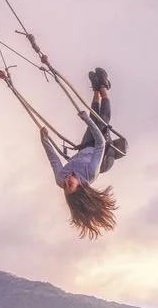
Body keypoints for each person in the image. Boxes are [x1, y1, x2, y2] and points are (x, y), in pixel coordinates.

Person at [41, 67, 125, 238]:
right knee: (103, 120)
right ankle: (104, 88)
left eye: (65, 185)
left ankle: (95, 89)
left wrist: (44, 139)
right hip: (103, 156)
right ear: (80, 185)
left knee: (94, 121)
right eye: (69, 184)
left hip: (86, 150)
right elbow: (101, 144)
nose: (65, 181)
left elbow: (54, 161)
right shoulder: (90, 173)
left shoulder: (60, 180)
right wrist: (86, 118)